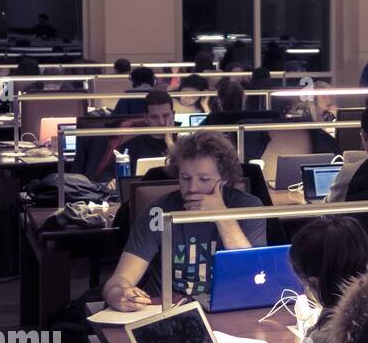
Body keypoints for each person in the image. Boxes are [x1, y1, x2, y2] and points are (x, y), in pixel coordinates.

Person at [102, 130, 265, 310]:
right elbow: (120, 279)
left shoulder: (247, 207)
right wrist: (118, 293)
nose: (192, 188)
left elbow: (253, 274)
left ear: (224, 179)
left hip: (228, 309)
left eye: (204, 179)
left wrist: (221, 215)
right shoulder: (158, 212)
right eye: (185, 178)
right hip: (166, 310)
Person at [119, 90, 177, 165]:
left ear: (173, 115)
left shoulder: (186, 144)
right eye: (154, 117)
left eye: (166, 116)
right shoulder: (131, 147)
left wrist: (170, 144)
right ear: (146, 117)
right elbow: (110, 174)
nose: (161, 122)